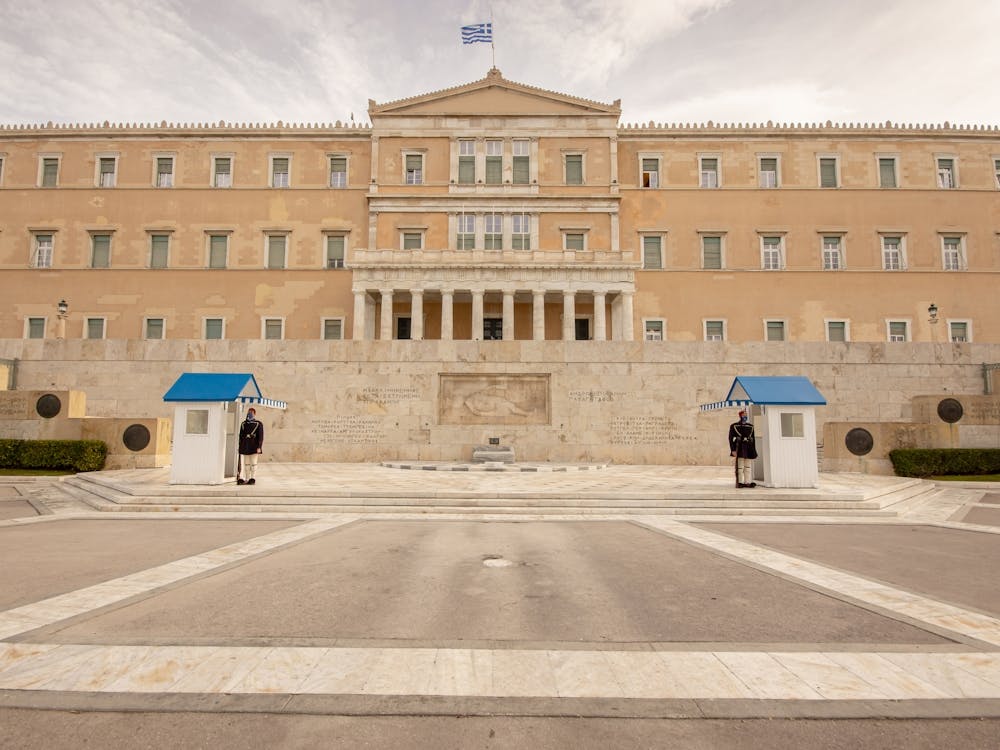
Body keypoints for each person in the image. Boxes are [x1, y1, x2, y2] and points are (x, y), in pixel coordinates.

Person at [728, 409, 757, 488]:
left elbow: (753, 439)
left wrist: (754, 451)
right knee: (740, 467)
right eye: (743, 415)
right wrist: (733, 450)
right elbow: (730, 439)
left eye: (746, 415)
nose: (745, 416)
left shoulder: (750, 426)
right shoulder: (734, 426)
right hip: (740, 448)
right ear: (740, 416)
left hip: (748, 448)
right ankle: (740, 482)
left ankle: (747, 482)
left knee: (748, 466)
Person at [237, 407, 264, 485]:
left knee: (253, 463)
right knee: (246, 463)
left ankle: (253, 478)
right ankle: (247, 478)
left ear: (254, 414)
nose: (250, 414)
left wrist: (259, 447)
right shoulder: (243, 424)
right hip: (245, 445)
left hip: (254, 445)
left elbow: (261, 436)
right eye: (249, 412)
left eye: (251, 413)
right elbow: (241, 436)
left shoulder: (258, 424)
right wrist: (240, 446)